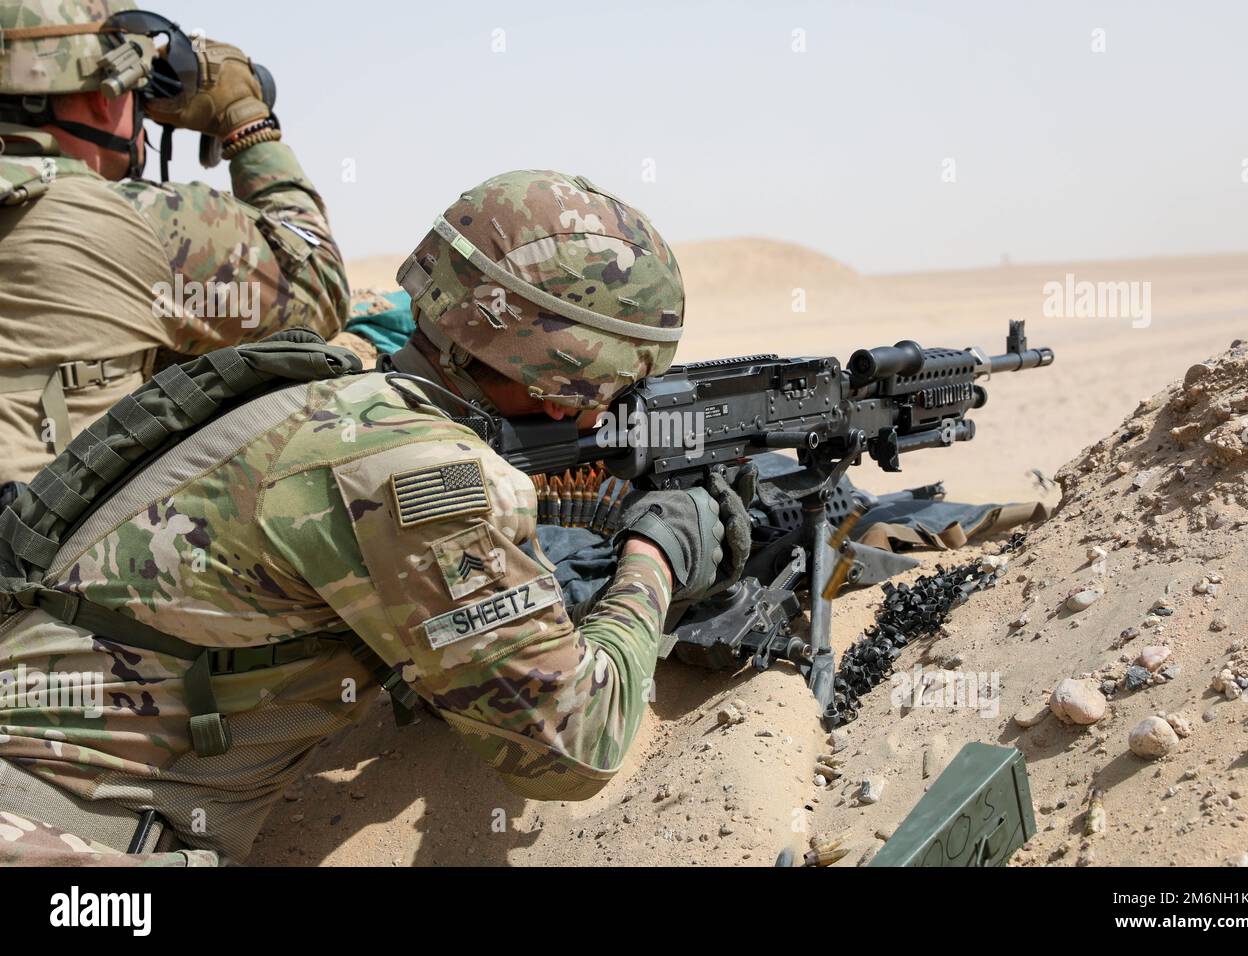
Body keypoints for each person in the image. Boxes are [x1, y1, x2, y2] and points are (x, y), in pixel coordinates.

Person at [0, 168, 750, 865]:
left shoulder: (332, 404)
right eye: (620, 382)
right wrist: (654, 554)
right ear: (571, 377)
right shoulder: (419, 468)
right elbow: (570, 746)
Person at [0, 0, 348, 487]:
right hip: (34, 551)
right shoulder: (140, 220)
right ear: (104, 97)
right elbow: (321, 289)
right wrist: (248, 126)